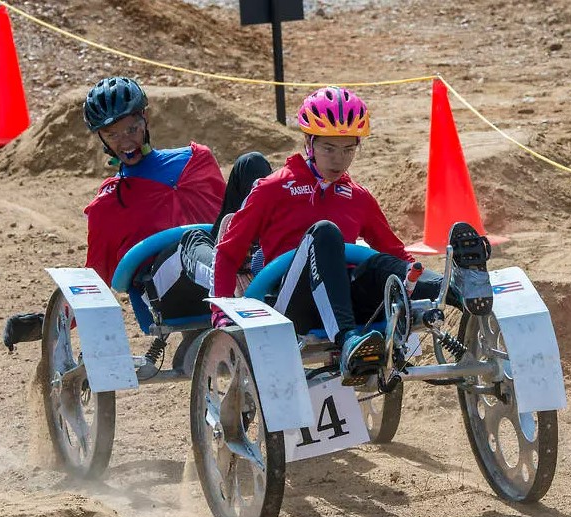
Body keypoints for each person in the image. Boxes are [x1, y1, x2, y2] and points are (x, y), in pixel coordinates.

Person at [211, 86, 493, 386]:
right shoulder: (272, 188)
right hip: (293, 303)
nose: (339, 160)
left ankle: (456, 288)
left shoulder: (357, 196)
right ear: (309, 143)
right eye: (329, 149)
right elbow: (228, 252)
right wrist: (221, 313)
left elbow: (396, 254)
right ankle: (348, 341)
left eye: (348, 149)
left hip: (348, 297)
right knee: (326, 233)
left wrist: (414, 277)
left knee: (380, 265)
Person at [81, 76, 271, 310]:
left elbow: (224, 219)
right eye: (113, 135)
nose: (125, 141)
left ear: (145, 118)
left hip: (217, 252)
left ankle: (267, 265)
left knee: (251, 163)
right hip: (164, 289)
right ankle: (232, 283)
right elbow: (96, 276)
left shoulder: (196, 159)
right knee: (191, 240)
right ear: (102, 138)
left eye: (132, 129)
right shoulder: (109, 201)